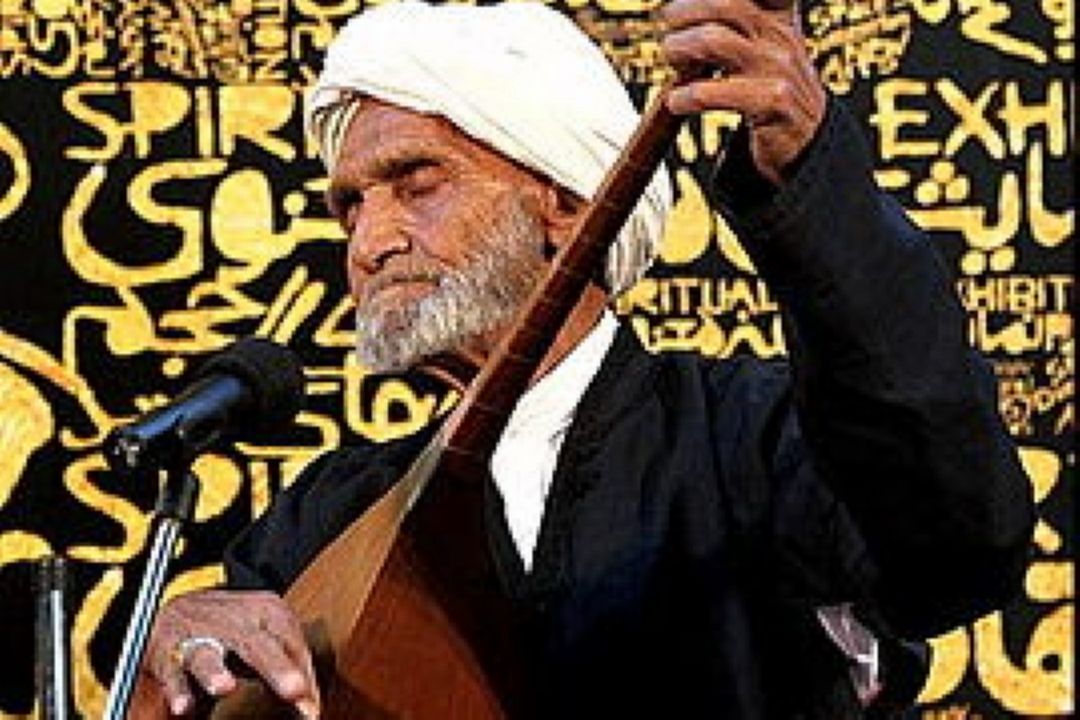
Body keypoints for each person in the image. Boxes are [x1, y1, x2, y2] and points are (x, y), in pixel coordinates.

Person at [134, 1, 1034, 718]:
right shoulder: (323, 517)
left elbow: (958, 549)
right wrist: (178, 653)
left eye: (416, 184)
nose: (370, 243)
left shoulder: (750, 436)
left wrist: (806, 171)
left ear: (564, 205)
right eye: (350, 208)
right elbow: (218, 679)